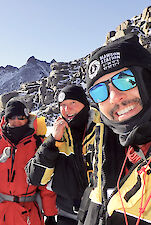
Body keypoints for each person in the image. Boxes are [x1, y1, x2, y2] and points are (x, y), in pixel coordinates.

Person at [80, 34, 151, 225]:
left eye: (125, 79)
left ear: (150, 76)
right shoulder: (109, 145)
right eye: (99, 92)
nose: (114, 97)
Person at [0, 99, 58, 225]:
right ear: (6, 119)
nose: (16, 121)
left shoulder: (39, 144)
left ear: (27, 118)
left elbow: (46, 182)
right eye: (12, 117)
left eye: (21, 117)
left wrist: (50, 214)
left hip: (28, 215)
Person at [26, 85, 97, 225]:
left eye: (73, 103)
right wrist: (52, 141)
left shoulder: (103, 128)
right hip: (67, 215)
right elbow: (34, 178)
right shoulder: (58, 137)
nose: (67, 109)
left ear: (84, 104)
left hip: (100, 213)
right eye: (63, 105)